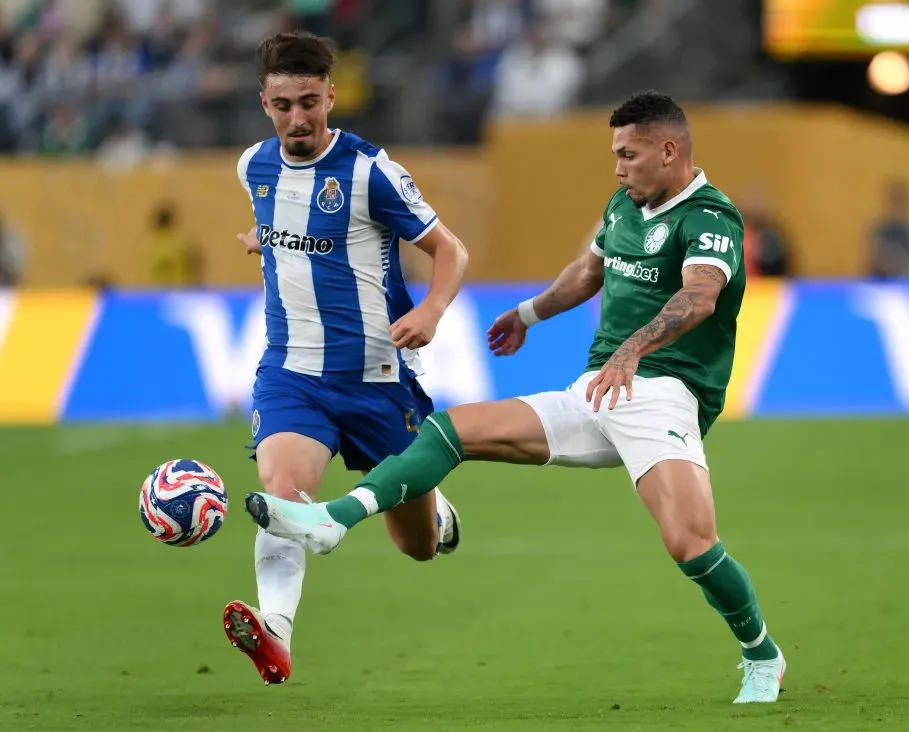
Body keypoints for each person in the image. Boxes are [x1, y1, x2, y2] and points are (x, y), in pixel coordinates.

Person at [244, 90, 786, 703]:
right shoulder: (625, 203)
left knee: (691, 543)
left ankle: (762, 655)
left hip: (664, 395)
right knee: (450, 430)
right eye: (614, 155)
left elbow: (699, 297)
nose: (617, 167)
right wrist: (528, 313)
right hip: (596, 392)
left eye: (627, 155)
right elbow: (589, 271)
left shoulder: (711, 217)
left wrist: (631, 352)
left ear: (669, 151)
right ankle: (331, 519)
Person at [223, 31, 470, 686]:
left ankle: (437, 513)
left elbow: (452, 250)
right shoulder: (255, 167)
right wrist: (266, 241)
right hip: (291, 373)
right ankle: (275, 633)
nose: (297, 119)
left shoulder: (369, 171)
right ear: (264, 103)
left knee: (415, 547)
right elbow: (289, 230)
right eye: (283, 105)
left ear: (332, 95)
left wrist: (432, 311)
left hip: (377, 380)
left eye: (310, 102)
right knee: (281, 494)